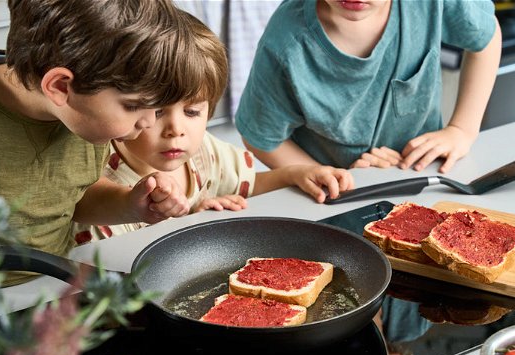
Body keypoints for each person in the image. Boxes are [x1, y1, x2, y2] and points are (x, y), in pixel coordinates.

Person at [0, 0, 198, 290]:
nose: (149, 122)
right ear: (60, 87)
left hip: (49, 287)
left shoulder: (83, 117)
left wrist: (130, 204)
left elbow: (73, 196)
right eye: (133, 106)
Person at [73, 11, 354, 244]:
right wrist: (195, 223)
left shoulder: (204, 151)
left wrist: (294, 174)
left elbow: (247, 185)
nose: (176, 129)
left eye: (192, 111)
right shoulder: (104, 188)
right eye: (158, 111)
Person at [235, 0, 501, 173]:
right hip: (336, 202)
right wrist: (325, 177)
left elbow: (486, 39)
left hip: (426, 173)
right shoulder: (285, 41)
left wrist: (462, 130)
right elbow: (261, 138)